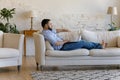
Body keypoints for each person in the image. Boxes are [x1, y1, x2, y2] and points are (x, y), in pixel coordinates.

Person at [41, 19, 105, 51]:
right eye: (50, 24)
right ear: (46, 25)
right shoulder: (47, 34)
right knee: (82, 42)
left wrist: (65, 29)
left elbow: (57, 30)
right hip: (62, 47)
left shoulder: (49, 31)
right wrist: (66, 41)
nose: (52, 25)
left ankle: (99, 45)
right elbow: (56, 43)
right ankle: (100, 46)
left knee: (81, 40)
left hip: (64, 44)